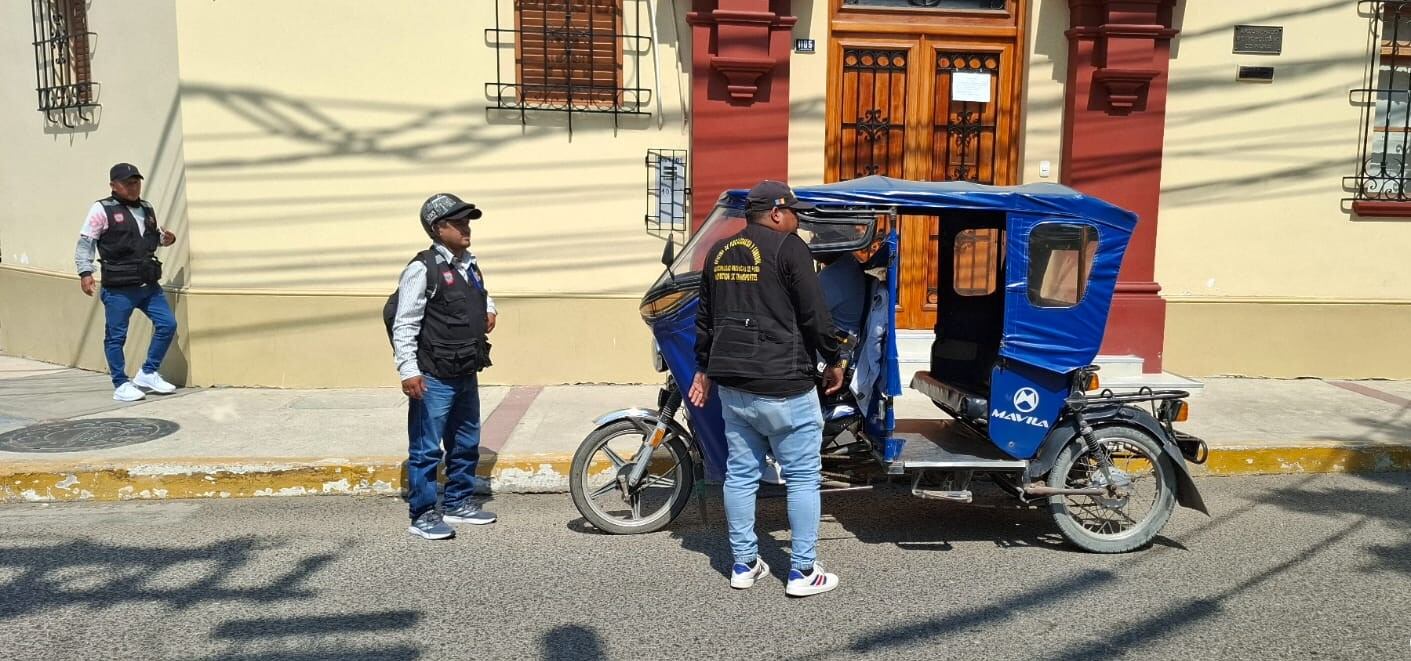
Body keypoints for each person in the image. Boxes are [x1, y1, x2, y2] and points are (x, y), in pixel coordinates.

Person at [689, 179, 846, 597]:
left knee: (740, 476)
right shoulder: (789, 247)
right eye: (793, 212)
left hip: (734, 386)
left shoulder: (719, 252)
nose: (797, 219)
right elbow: (814, 313)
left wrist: (703, 369)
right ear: (777, 212)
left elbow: (705, 317)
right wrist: (834, 358)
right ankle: (802, 572)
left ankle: (743, 564)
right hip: (786, 385)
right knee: (802, 479)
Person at [391, 193, 499, 540]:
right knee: (425, 449)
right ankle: (422, 514)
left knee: (466, 441)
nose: (467, 227)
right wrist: (408, 370)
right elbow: (405, 322)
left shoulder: (469, 263)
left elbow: (480, 292)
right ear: (438, 228)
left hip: (465, 369)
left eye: (467, 221)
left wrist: (491, 308)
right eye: (459, 222)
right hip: (433, 375)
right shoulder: (422, 269)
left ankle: (457, 502)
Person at [75, 163, 179, 402]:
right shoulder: (101, 209)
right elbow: (86, 243)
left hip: (148, 285)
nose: (134, 187)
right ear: (114, 185)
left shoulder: (146, 207)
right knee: (116, 336)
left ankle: (148, 372)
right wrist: (85, 272)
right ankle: (121, 383)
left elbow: (151, 239)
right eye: (128, 183)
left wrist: (166, 239)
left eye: (136, 182)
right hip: (119, 288)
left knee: (167, 324)